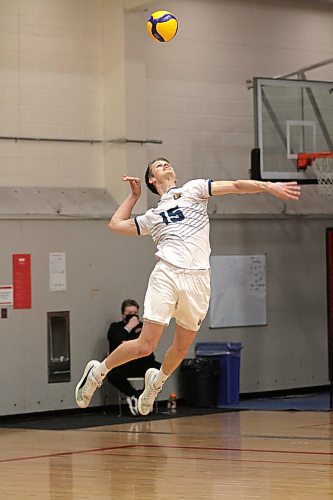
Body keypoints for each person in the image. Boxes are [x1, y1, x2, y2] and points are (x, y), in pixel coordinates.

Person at [75, 157, 301, 414]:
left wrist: (267, 186)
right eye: (159, 166)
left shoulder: (193, 189)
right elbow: (115, 224)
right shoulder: (152, 216)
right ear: (152, 179)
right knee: (145, 346)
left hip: (199, 279)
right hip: (167, 273)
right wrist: (134, 196)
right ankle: (97, 372)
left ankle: (155, 383)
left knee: (181, 347)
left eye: (167, 163)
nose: (166, 166)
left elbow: (237, 186)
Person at [107, 298, 161, 416]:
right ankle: (133, 395)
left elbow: (147, 344)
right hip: (123, 364)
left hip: (142, 362)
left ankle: (144, 395)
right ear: (123, 314)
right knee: (111, 373)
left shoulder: (144, 327)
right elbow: (116, 342)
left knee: (160, 370)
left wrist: (127, 343)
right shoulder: (115, 327)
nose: (133, 316)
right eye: (129, 313)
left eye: (135, 313)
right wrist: (129, 327)